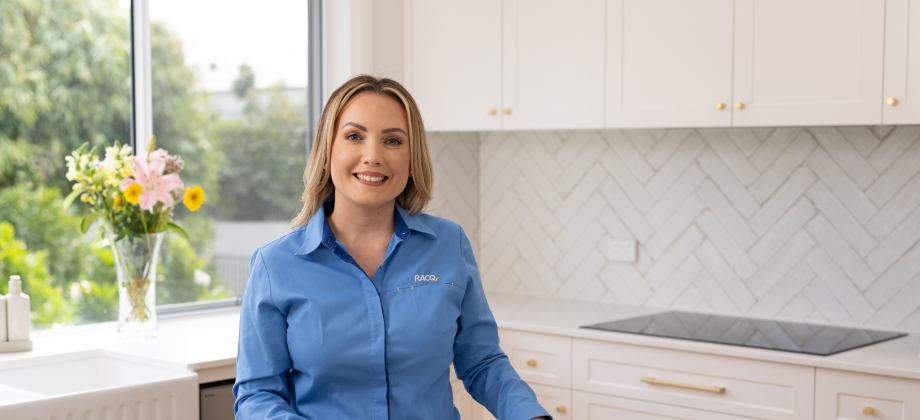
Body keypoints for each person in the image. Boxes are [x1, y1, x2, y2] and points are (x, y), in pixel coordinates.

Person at [233, 75, 550, 420]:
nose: (373, 156)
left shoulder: (449, 245)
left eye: (393, 141)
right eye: (354, 136)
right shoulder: (275, 265)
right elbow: (258, 395)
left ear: (412, 161)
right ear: (327, 154)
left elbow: (482, 362)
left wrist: (531, 416)